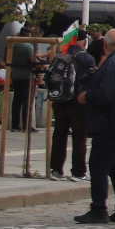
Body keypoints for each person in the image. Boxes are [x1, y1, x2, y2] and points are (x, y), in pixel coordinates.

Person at [72, 29, 115, 225]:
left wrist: (86, 96)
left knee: (98, 166)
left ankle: (98, 209)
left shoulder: (113, 63)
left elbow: (106, 95)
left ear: (105, 45)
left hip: (111, 123)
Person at [46, 32, 96, 181]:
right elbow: (93, 79)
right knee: (79, 136)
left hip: (59, 100)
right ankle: (78, 172)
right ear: (83, 41)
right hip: (78, 101)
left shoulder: (60, 55)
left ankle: (56, 170)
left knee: (59, 134)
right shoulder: (86, 58)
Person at [8, 36, 35, 133]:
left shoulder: (12, 46)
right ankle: (26, 125)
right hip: (27, 75)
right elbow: (32, 60)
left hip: (15, 75)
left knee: (16, 101)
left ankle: (15, 125)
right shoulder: (28, 46)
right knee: (26, 101)